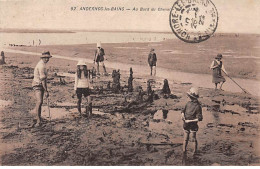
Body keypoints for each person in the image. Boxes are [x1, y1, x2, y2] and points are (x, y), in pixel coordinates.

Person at [32, 51, 52, 127]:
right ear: (42, 58)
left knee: (40, 102)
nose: (47, 59)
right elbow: (43, 79)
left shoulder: (43, 64)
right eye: (45, 58)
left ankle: (39, 117)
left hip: (40, 84)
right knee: (39, 101)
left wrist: (45, 89)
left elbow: (44, 80)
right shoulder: (41, 66)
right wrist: (46, 91)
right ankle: (38, 120)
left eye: (48, 58)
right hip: (37, 84)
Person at [181, 87, 203, 155]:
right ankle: (184, 151)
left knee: (193, 139)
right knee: (185, 138)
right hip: (186, 124)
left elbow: (200, 118)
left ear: (192, 97)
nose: (189, 97)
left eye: (189, 96)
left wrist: (189, 121)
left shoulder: (198, 106)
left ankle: (194, 152)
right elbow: (183, 110)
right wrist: (182, 115)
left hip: (192, 125)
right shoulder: (188, 103)